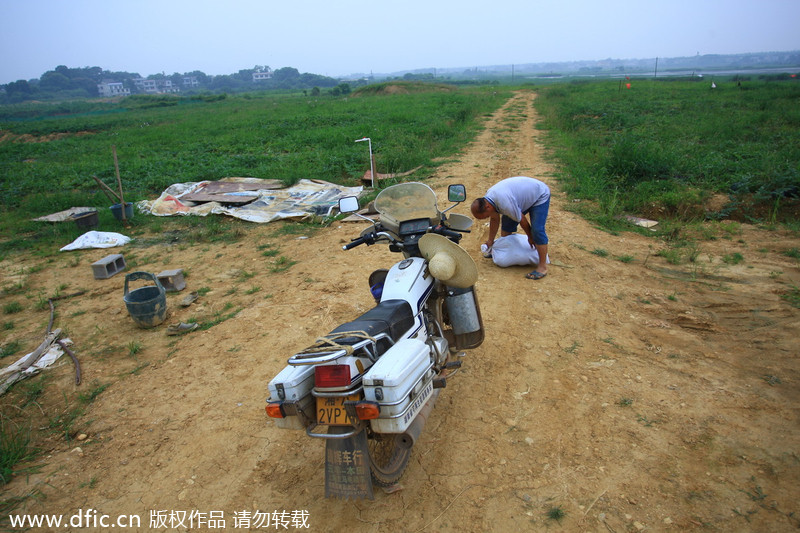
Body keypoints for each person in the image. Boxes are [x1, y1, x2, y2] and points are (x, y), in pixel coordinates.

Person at [470, 176, 550, 280]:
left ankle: (542, 266)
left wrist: (531, 237)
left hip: (540, 195)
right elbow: (494, 219)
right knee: (507, 225)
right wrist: (490, 241)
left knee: (537, 230)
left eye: (485, 216)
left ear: (487, 207)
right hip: (521, 198)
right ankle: (505, 251)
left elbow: (522, 220)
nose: (486, 218)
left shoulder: (505, 203)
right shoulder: (488, 200)